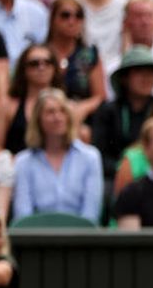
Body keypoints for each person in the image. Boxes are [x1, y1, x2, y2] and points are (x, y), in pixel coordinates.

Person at [10, 88, 102, 222]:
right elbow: (23, 215)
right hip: (36, 238)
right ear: (38, 119)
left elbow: (91, 214)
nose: (58, 117)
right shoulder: (23, 162)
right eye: (50, 112)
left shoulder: (90, 157)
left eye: (62, 111)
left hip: (81, 238)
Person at [88, 45, 153, 182]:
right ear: (125, 78)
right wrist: (125, 170)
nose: (146, 78)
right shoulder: (108, 111)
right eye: (139, 72)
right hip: (116, 178)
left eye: (151, 72)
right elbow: (99, 154)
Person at [0, 43, 62, 155]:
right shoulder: (7, 106)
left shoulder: (66, 106)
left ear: (54, 67)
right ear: (24, 69)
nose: (41, 67)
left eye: (48, 62)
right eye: (34, 63)